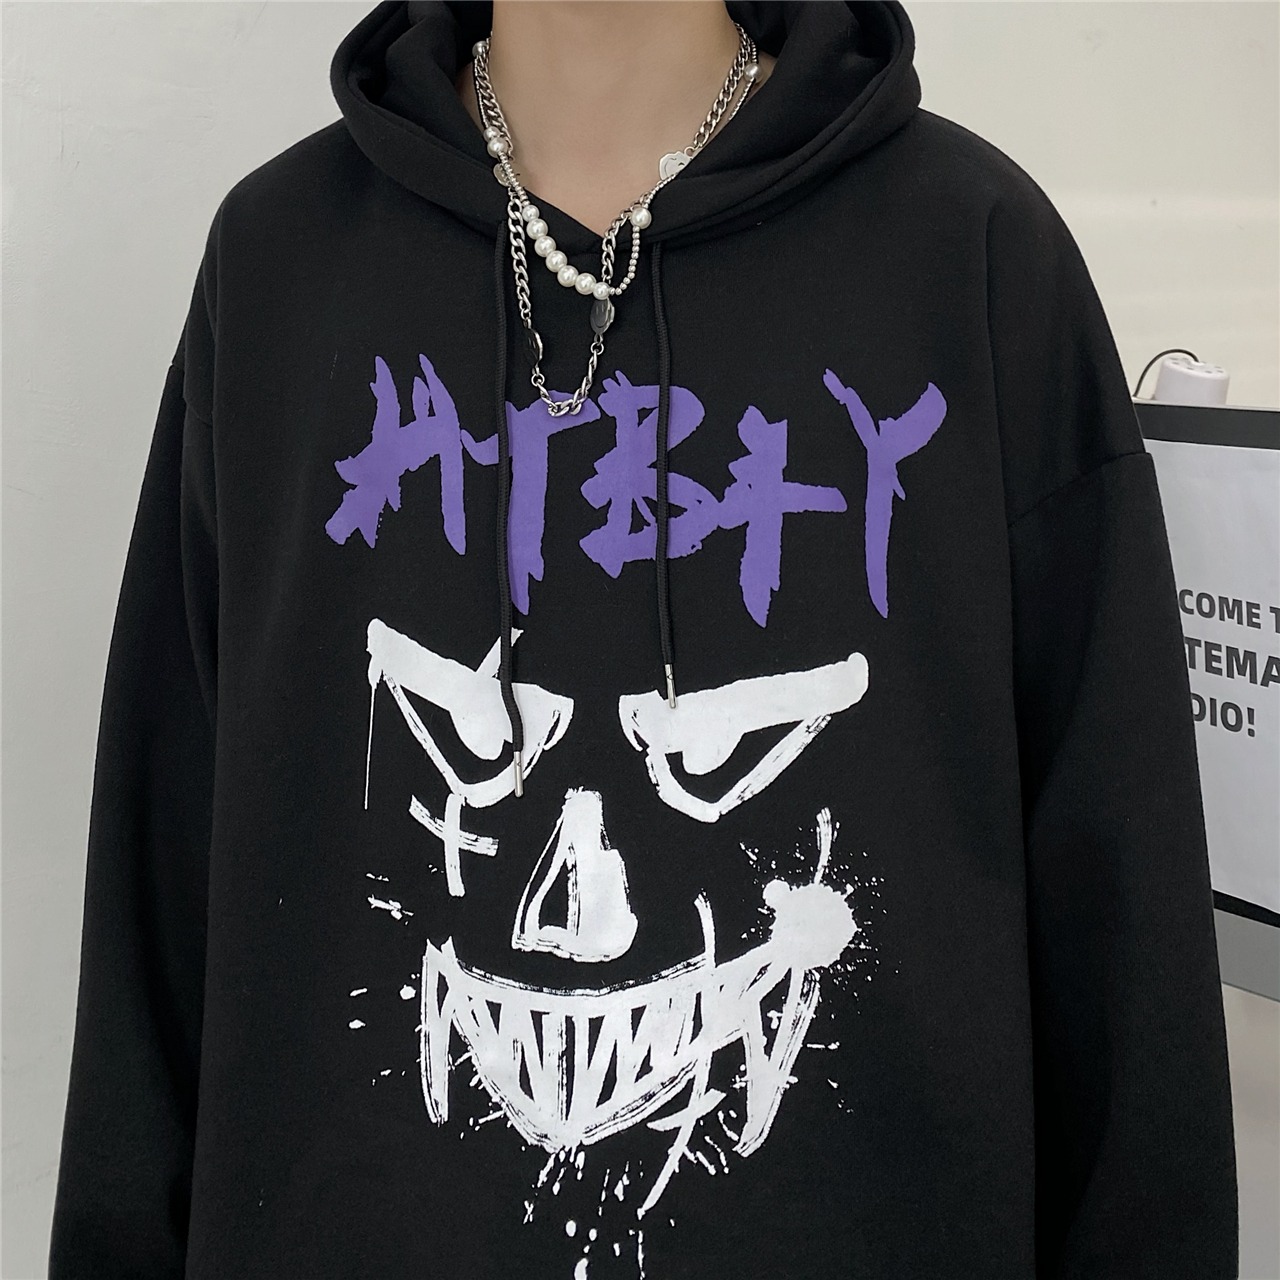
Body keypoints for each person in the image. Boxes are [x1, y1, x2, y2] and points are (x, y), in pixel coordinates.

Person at [48, 2, 1239, 1277]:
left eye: (725, 750)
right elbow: (162, 890)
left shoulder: (972, 258)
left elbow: (1123, 939)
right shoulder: (279, 265)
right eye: (459, 734)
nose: (579, 914)